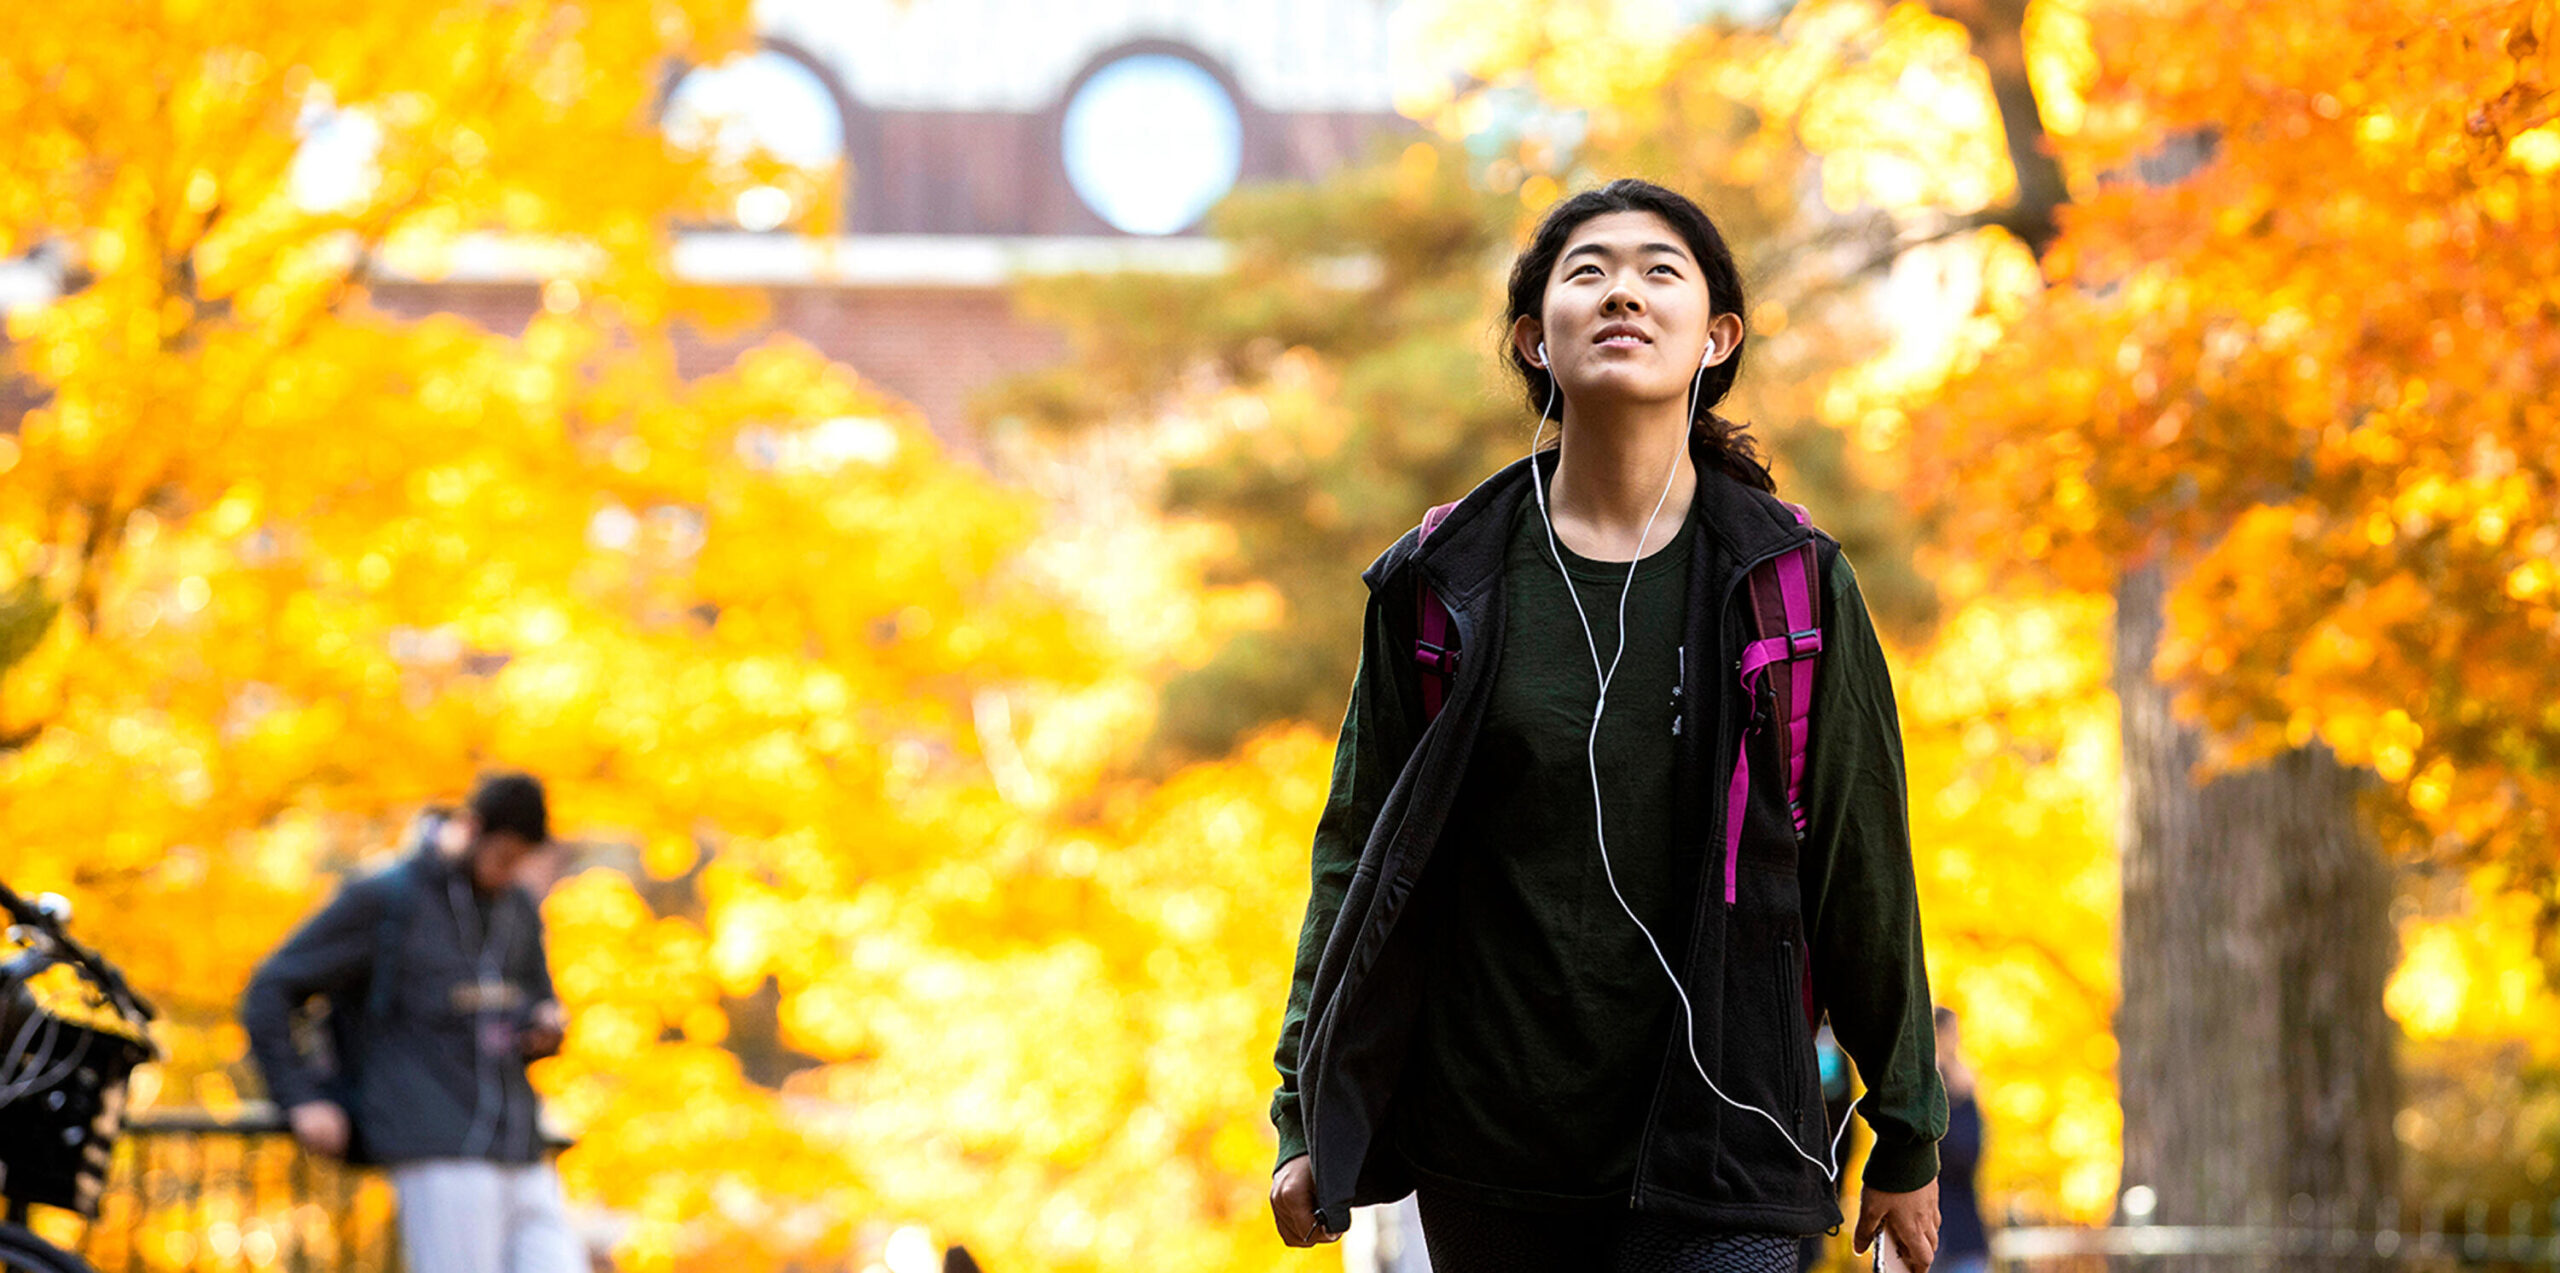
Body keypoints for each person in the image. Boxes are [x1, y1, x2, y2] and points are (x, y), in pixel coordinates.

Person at [1266, 179, 1947, 1272]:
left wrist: (1907, 1129)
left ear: (1715, 336)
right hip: (1490, 1148)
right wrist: (1304, 1105)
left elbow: (1858, 862)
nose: (1621, 292)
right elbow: (1357, 854)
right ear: (1536, 339)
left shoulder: (1791, 586)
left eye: (1658, 271)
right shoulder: (1442, 585)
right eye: (1586, 272)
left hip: (1734, 1141)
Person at [242, 772, 580, 1273]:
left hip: (520, 1144)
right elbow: (271, 989)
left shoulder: (518, 909)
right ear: (471, 829)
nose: (509, 874)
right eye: (503, 858)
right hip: (436, 1144)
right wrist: (301, 1097)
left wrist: (544, 1025)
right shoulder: (386, 899)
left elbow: (533, 1001)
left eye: (521, 861)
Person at [1931, 1009, 1990, 1273]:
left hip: (1962, 1231)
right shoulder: (1924, 1088)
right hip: (1926, 1225)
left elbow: (1969, 1152)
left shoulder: (1964, 1087)